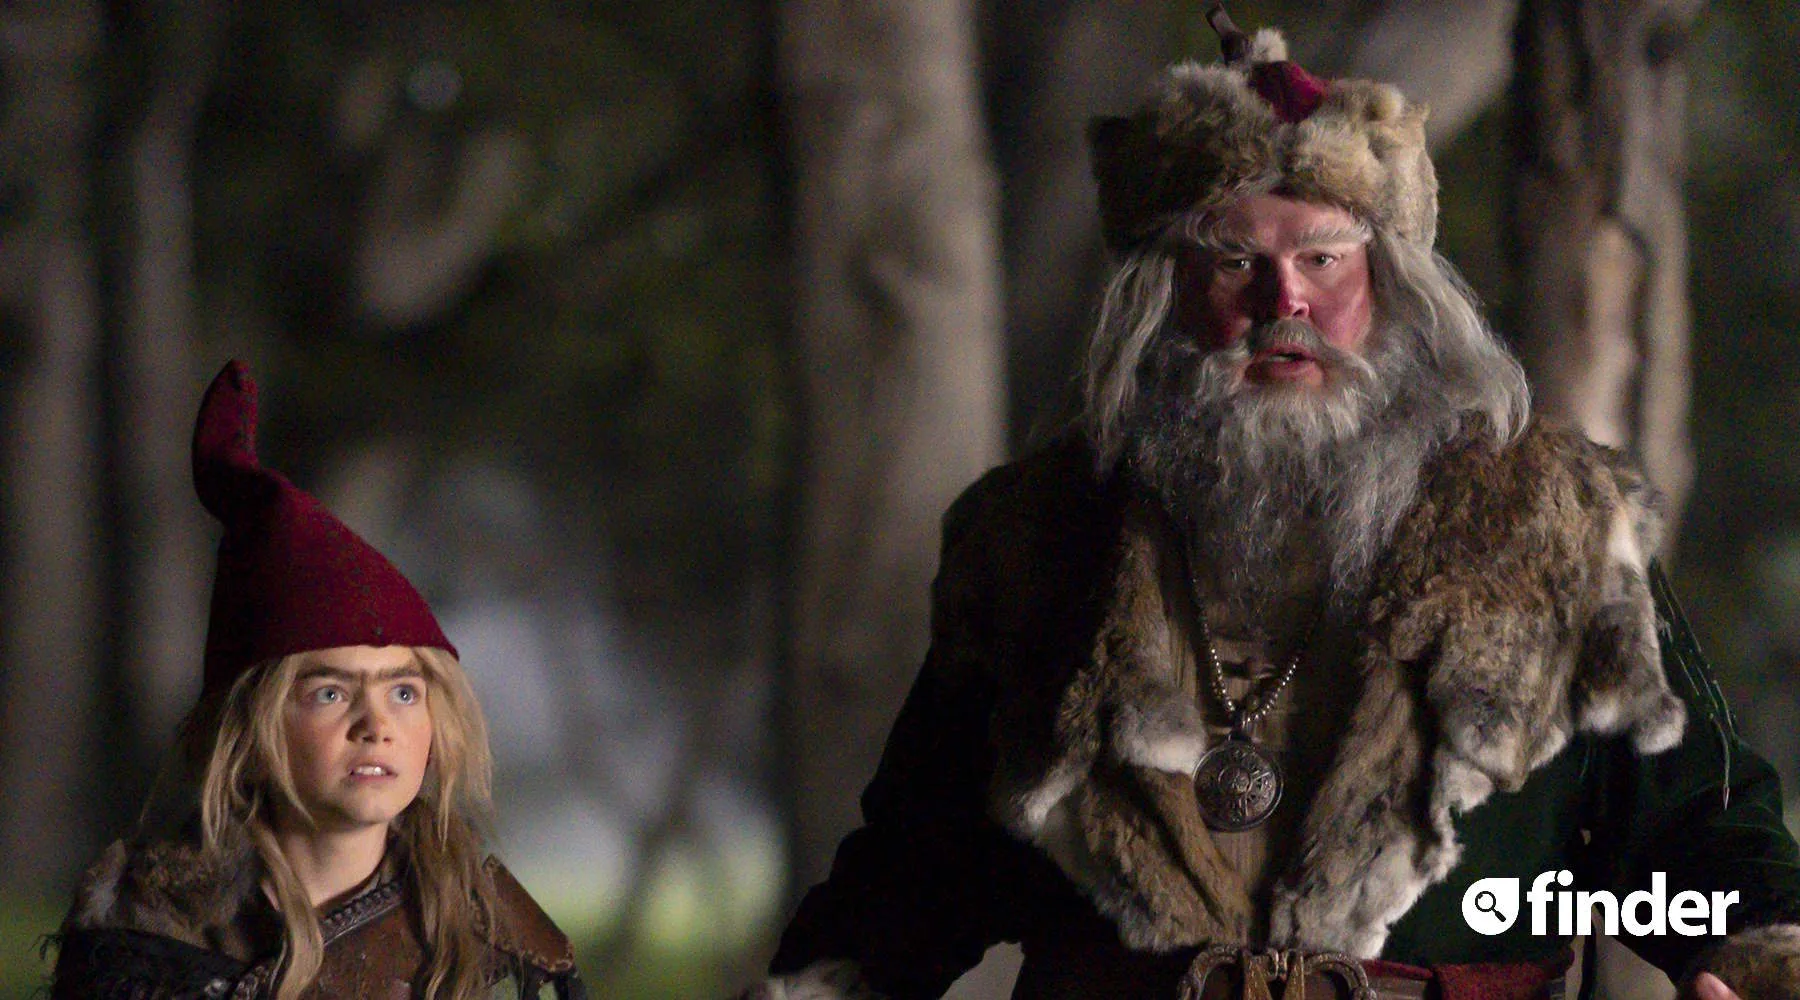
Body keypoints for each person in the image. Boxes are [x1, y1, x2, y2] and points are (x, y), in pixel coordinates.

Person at [751, 10, 1800, 1000]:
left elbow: (1703, 834)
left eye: (1323, 259)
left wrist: (1763, 969)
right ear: (1162, 290)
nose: (1283, 301)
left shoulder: (1552, 523)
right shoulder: (1034, 540)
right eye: (1234, 259)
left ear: (1393, 282)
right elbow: (913, 873)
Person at [50, 361, 586, 999]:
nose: (377, 727)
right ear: (251, 730)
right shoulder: (146, 942)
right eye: (330, 693)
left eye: (404, 693)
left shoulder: (476, 931)